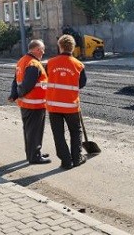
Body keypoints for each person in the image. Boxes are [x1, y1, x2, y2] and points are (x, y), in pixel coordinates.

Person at [46, 35, 87, 169]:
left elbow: (46, 79)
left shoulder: (50, 63)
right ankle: (77, 158)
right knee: (75, 132)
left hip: (53, 106)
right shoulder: (78, 65)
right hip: (71, 106)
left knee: (58, 134)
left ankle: (66, 161)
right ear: (73, 47)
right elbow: (81, 84)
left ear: (60, 46)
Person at [8, 39, 51, 164]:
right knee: (35, 130)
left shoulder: (22, 61)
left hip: (26, 103)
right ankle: (34, 157)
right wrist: (18, 93)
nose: (43, 52)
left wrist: (14, 95)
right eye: (42, 50)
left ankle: (32, 153)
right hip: (34, 104)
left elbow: (15, 81)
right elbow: (27, 85)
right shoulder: (34, 64)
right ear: (37, 50)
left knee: (29, 130)